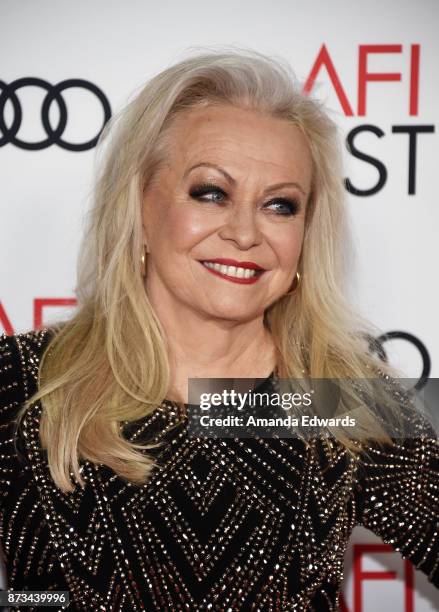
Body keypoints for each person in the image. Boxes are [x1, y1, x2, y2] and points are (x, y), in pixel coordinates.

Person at [0, 49, 438, 611]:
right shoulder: (29, 379)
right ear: (138, 209)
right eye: (211, 193)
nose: (246, 232)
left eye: (280, 205)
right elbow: (36, 597)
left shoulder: (329, 399)